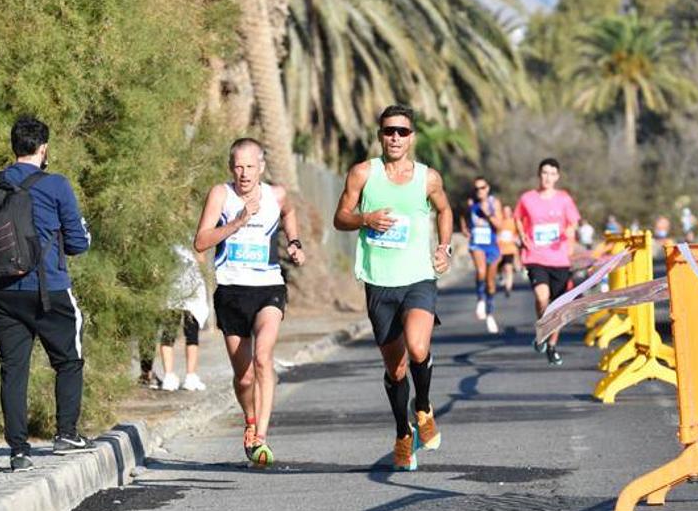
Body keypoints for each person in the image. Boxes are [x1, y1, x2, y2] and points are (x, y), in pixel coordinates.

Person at [334, 104, 452, 471]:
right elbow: (340, 218)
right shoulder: (363, 173)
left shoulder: (427, 177)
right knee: (396, 370)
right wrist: (365, 219)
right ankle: (403, 433)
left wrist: (444, 247)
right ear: (380, 135)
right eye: (389, 131)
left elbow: (445, 210)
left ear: (412, 136)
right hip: (379, 281)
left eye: (402, 131)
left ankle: (423, 407)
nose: (395, 137)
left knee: (418, 347)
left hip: (418, 276)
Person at [0, 115, 92, 473]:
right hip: (48, 290)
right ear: (43, 149)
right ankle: (66, 433)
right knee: (68, 360)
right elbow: (77, 244)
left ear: (13, 146)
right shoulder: (56, 185)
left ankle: (17, 451)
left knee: (13, 370)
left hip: (0, 290)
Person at [194, 138, 305, 466]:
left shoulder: (276, 194)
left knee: (262, 358)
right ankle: (250, 421)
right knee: (243, 376)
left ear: (261, 167)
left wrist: (294, 242)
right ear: (231, 168)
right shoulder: (221, 195)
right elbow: (201, 241)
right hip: (231, 291)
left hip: (268, 287)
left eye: (250, 167)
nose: (244, 174)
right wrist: (238, 222)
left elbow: (290, 211)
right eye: (238, 167)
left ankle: (261, 437)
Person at [514, 158, 580, 366]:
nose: (548, 177)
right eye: (544, 173)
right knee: (542, 299)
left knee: (557, 307)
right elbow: (518, 217)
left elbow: (574, 221)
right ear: (539, 175)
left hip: (559, 260)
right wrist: (522, 233)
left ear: (557, 177)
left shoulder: (564, 198)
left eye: (552, 174)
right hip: (535, 258)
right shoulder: (527, 198)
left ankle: (551, 344)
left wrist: (571, 230)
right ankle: (542, 329)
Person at [155, 244, 209, 391]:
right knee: (192, 334)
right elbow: (201, 259)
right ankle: (190, 376)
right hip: (192, 290)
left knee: (168, 334)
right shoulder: (194, 235)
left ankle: (168, 376)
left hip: (172, 290)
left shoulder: (166, 237)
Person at [465, 176, 501, 333]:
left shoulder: (494, 203)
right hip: (476, 244)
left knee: (491, 282)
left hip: (492, 246)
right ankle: (480, 300)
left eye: (482, 187)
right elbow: (463, 217)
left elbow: (499, 225)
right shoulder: (471, 203)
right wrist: (466, 229)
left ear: (488, 188)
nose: (479, 191)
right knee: (481, 271)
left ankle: (490, 313)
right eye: (476, 188)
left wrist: (488, 214)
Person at [495, 203, 520, 296]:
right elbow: (496, 233)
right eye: (504, 211)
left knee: (508, 268)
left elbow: (518, 234)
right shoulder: (499, 222)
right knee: (497, 267)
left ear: (511, 212)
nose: (506, 213)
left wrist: (516, 238)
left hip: (510, 249)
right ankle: (500, 276)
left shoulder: (514, 222)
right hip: (499, 249)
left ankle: (508, 288)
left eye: (508, 211)